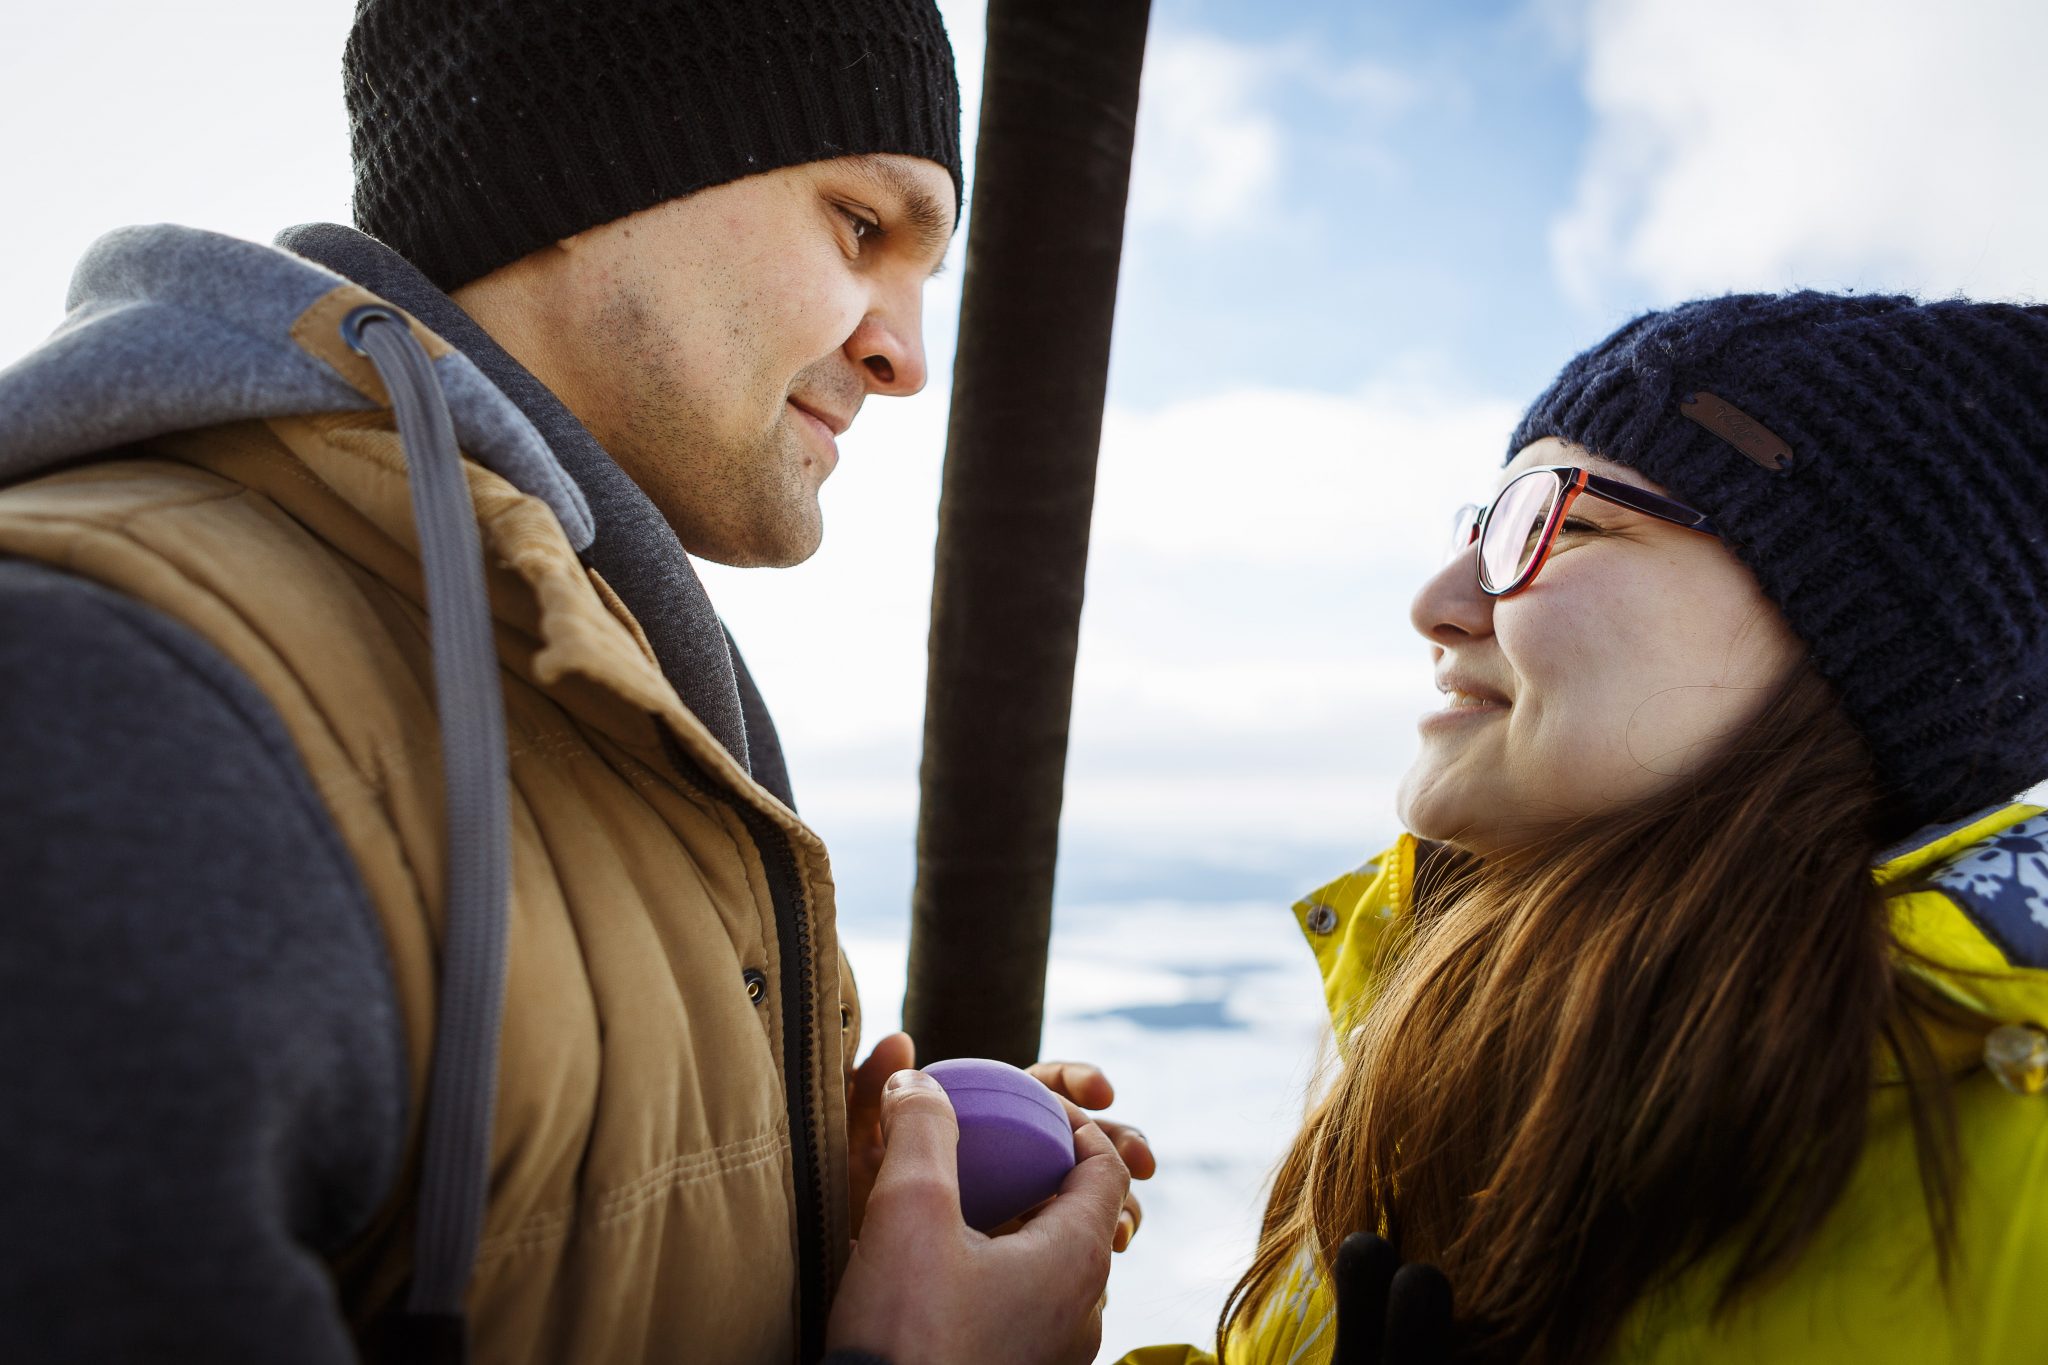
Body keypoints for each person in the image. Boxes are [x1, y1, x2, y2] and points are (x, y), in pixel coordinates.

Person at [0, 2, 1151, 1361]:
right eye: (860, 227)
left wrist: (795, 1199)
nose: (906, 356)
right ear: (591, 165)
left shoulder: (605, 679)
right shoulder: (114, 702)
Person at [1122, 292, 2048, 1365]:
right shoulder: (1466, 1008)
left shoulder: (2010, 1132)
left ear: (1846, 630)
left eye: (1553, 522)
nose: (1436, 601)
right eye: (1479, 527)